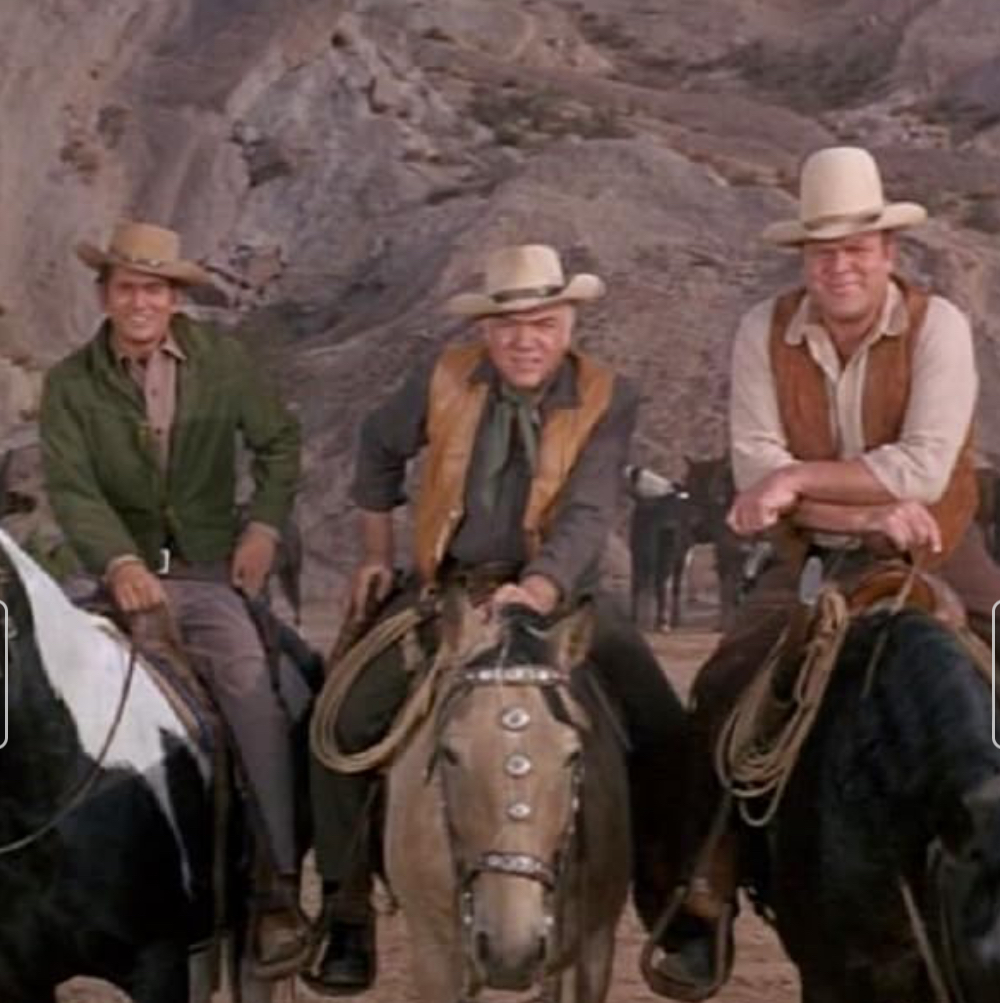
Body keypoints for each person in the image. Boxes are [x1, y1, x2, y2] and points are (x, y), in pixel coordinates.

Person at [650, 146, 1000, 1000]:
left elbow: (923, 468)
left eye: (856, 248)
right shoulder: (762, 332)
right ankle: (705, 889)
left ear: (888, 251)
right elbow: (753, 468)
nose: (840, 265)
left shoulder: (939, 327)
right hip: (810, 556)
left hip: (935, 543)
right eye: (822, 251)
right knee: (729, 681)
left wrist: (802, 480)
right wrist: (858, 508)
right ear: (803, 258)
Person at [307, 244, 684, 995]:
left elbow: (589, 509)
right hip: (449, 590)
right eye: (509, 325)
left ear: (568, 323)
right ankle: (346, 908)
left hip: (564, 597)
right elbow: (377, 446)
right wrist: (377, 551)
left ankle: (669, 899)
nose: (526, 340)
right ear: (485, 329)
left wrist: (540, 587)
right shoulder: (443, 377)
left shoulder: (609, 394)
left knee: (665, 729)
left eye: (543, 324)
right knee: (339, 720)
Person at [39, 220, 311, 978]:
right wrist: (120, 559)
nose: (141, 302)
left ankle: (276, 884)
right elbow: (72, 487)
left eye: (154, 289)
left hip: (201, 577)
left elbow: (280, 443)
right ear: (105, 294)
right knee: (27, 686)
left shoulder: (222, 361)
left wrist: (263, 528)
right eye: (127, 287)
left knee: (253, 692)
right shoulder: (70, 383)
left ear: (174, 297)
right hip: (104, 577)